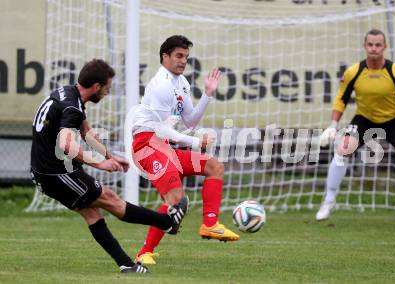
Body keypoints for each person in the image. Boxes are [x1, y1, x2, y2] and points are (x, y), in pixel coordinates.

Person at [30, 59, 188, 274]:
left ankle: (127, 264)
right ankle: (167, 222)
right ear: (96, 86)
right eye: (107, 88)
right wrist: (100, 163)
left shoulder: (69, 93)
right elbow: (65, 144)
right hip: (55, 173)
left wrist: (110, 155)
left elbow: (87, 132)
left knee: (93, 214)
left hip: (48, 170)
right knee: (110, 199)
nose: (106, 93)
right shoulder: (73, 108)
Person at [131, 35, 240, 265]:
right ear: (165, 57)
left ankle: (210, 224)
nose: (183, 61)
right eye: (179, 56)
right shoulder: (160, 85)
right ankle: (143, 253)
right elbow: (159, 130)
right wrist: (194, 143)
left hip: (166, 145)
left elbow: (190, 121)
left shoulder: (181, 83)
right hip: (147, 145)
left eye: (186, 57)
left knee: (214, 166)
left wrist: (208, 94)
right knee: (175, 198)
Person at [317, 29, 395, 221]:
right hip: (364, 119)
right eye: (370, 45)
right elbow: (341, 98)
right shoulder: (353, 72)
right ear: (364, 46)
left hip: (393, 120)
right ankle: (329, 199)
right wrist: (333, 124)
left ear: (385, 47)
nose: (374, 49)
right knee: (343, 149)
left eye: (378, 45)